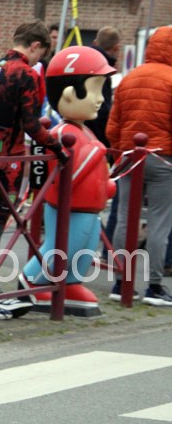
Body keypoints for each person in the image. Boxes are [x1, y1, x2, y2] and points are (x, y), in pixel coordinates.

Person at [0, 20, 66, 320]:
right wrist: (57, 147)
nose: (40, 60)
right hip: (9, 160)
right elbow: (31, 124)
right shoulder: (26, 73)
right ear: (35, 45)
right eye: (42, 54)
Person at [21, 46, 117, 311]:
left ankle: (70, 281)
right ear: (70, 94)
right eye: (95, 90)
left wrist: (106, 185)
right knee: (61, 246)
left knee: (84, 248)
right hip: (69, 208)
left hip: (89, 209)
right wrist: (96, 153)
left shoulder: (86, 131)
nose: (101, 99)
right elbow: (69, 174)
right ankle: (30, 280)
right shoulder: (62, 134)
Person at [106, 26, 172, 307]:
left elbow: (113, 126)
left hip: (129, 157)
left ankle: (121, 282)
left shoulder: (129, 78)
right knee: (160, 221)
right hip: (162, 157)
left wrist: (120, 151)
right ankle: (154, 286)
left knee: (124, 218)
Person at [85, 26, 120, 147]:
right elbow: (101, 110)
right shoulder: (103, 70)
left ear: (95, 42)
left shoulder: (85, 62)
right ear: (116, 48)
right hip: (95, 138)